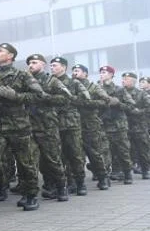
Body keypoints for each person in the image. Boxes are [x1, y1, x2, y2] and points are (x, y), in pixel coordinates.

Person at [0, 43, 44, 213]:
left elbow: (38, 95)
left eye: (0, 51)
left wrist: (16, 96)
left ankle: (31, 195)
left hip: (18, 127)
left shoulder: (22, 75)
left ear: (10, 56)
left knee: (25, 163)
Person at [25, 54, 70, 202]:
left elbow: (66, 98)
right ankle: (37, 191)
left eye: (34, 62)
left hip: (47, 126)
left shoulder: (52, 81)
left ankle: (62, 187)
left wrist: (46, 98)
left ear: (42, 65)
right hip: (30, 126)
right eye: (29, 63)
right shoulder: (25, 80)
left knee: (53, 159)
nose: (30, 65)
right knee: (32, 161)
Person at [48, 56, 89, 195]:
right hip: (53, 123)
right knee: (57, 156)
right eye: (51, 65)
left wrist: (69, 99)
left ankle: (80, 183)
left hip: (71, 124)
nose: (52, 67)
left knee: (75, 154)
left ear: (63, 67)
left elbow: (85, 99)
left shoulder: (74, 83)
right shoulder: (48, 82)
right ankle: (63, 185)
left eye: (55, 65)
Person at [72, 64, 112, 189]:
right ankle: (77, 182)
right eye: (73, 71)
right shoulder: (70, 86)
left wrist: (88, 104)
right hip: (73, 123)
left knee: (94, 152)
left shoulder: (93, 87)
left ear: (85, 74)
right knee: (75, 154)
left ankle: (103, 177)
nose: (74, 73)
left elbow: (106, 101)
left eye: (77, 71)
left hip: (90, 124)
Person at [98, 66, 135, 184]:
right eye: (101, 73)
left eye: (104, 72)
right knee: (104, 152)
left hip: (119, 126)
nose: (101, 75)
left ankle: (127, 173)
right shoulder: (97, 89)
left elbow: (130, 105)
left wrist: (118, 103)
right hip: (103, 125)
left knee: (123, 150)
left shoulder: (119, 90)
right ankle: (105, 177)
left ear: (111, 75)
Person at [123, 72, 150, 179]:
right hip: (125, 126)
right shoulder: (120, 93)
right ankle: (128, 171)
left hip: (140, 126)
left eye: (126, 79)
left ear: (133, 81)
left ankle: (145, 170)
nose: (123, 80)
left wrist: (139, 111)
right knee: (127, 150)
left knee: (142, 149)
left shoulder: (141, 94)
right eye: (123, 78)